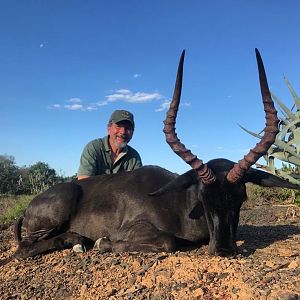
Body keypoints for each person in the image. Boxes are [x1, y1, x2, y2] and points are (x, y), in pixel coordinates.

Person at [77, 109, 142, 180]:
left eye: (128, 128)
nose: (123, 132)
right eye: (118, 126)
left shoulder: (134, 157)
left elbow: (137, 186)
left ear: (133, 133)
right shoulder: (93, 148)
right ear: (108, 128)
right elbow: (84, 182)